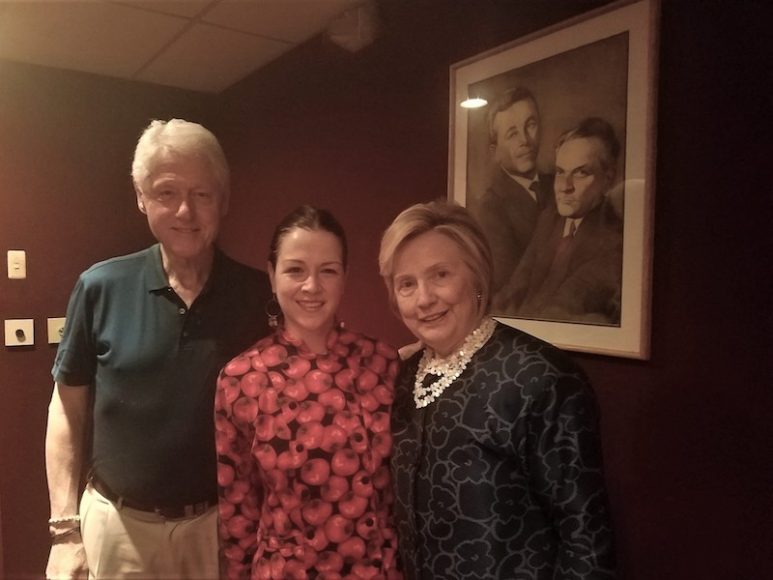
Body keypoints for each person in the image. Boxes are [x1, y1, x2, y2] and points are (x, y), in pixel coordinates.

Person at [45, 119, 272, 579]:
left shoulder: (257, 295)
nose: (185, 210)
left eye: (202, 194)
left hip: (217, 530)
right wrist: (65, 532)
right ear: (141, 198)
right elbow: (67, 410)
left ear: (223, 201)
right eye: (167, 192)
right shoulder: (99, 286)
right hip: (117, 525)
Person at [378, 200, 616, 579]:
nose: (424, 299)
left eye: (440, 275)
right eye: (407, 284)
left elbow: (586, 542)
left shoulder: (540, 378)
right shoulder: (400, 378)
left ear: (477, 276)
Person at [215, 205, 403, 579]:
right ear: (271, 275)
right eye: (295, 270)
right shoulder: (241, 379)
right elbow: (238, 510)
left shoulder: (383, 364)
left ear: (344, 277)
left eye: (328, 271)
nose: (312, 286)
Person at [502, 117, 624, 324]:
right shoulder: (550, 219)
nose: (565, 186)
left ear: (608, 179)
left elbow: (562, 309)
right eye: (560, 172)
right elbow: (515, 288)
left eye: (580, 173)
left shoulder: (613, 240)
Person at [473, 87, 553, 306]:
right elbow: (509, 291)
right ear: (494, 151)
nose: (525, 140)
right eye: (512, 134)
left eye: (531, 125)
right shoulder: (491, 208)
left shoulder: (559, 184)